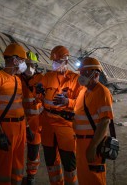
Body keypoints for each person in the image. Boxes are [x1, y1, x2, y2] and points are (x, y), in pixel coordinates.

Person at [37, 45, 83, 185]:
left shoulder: (76, 79)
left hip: (65, 125)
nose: (54, 64)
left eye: (57, 61)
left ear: (66, 61)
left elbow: (82, 104)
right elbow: (39, 98)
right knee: (51, 161)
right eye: (54, 61)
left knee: (69, 162)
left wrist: (68, 101)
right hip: (47, 125)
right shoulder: (47, 77)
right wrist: (37, 92)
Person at [0, 43, 27, 185]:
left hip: (20, 127)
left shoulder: (17, 79)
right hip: (6, 128)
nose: (23, 64)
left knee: (18, 161)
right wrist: (0, 133)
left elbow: (19, 104)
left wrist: (26, 126)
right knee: (4, 164)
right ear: (14, 60)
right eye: (22, 60)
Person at [73, 57, 116, 185]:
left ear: (96, 74)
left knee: (94, 178)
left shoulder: (102, 92)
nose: (81, 76)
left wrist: (93, 146)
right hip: (80, 143)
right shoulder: (84, 92)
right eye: (80, 73)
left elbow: (105, 121)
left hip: (92, 143)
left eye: (85, 73)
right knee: (84, 177)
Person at [19, 51, 44, 185]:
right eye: (26, 64)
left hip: (36, 123)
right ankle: (16, 177)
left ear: (36, 65)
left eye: (32, 65)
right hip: (19, 122)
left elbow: (46, 101)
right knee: (17, 151)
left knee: (33, 152)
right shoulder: (17, 79)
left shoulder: (41, 79)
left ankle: (30, 178)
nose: (29, 68)